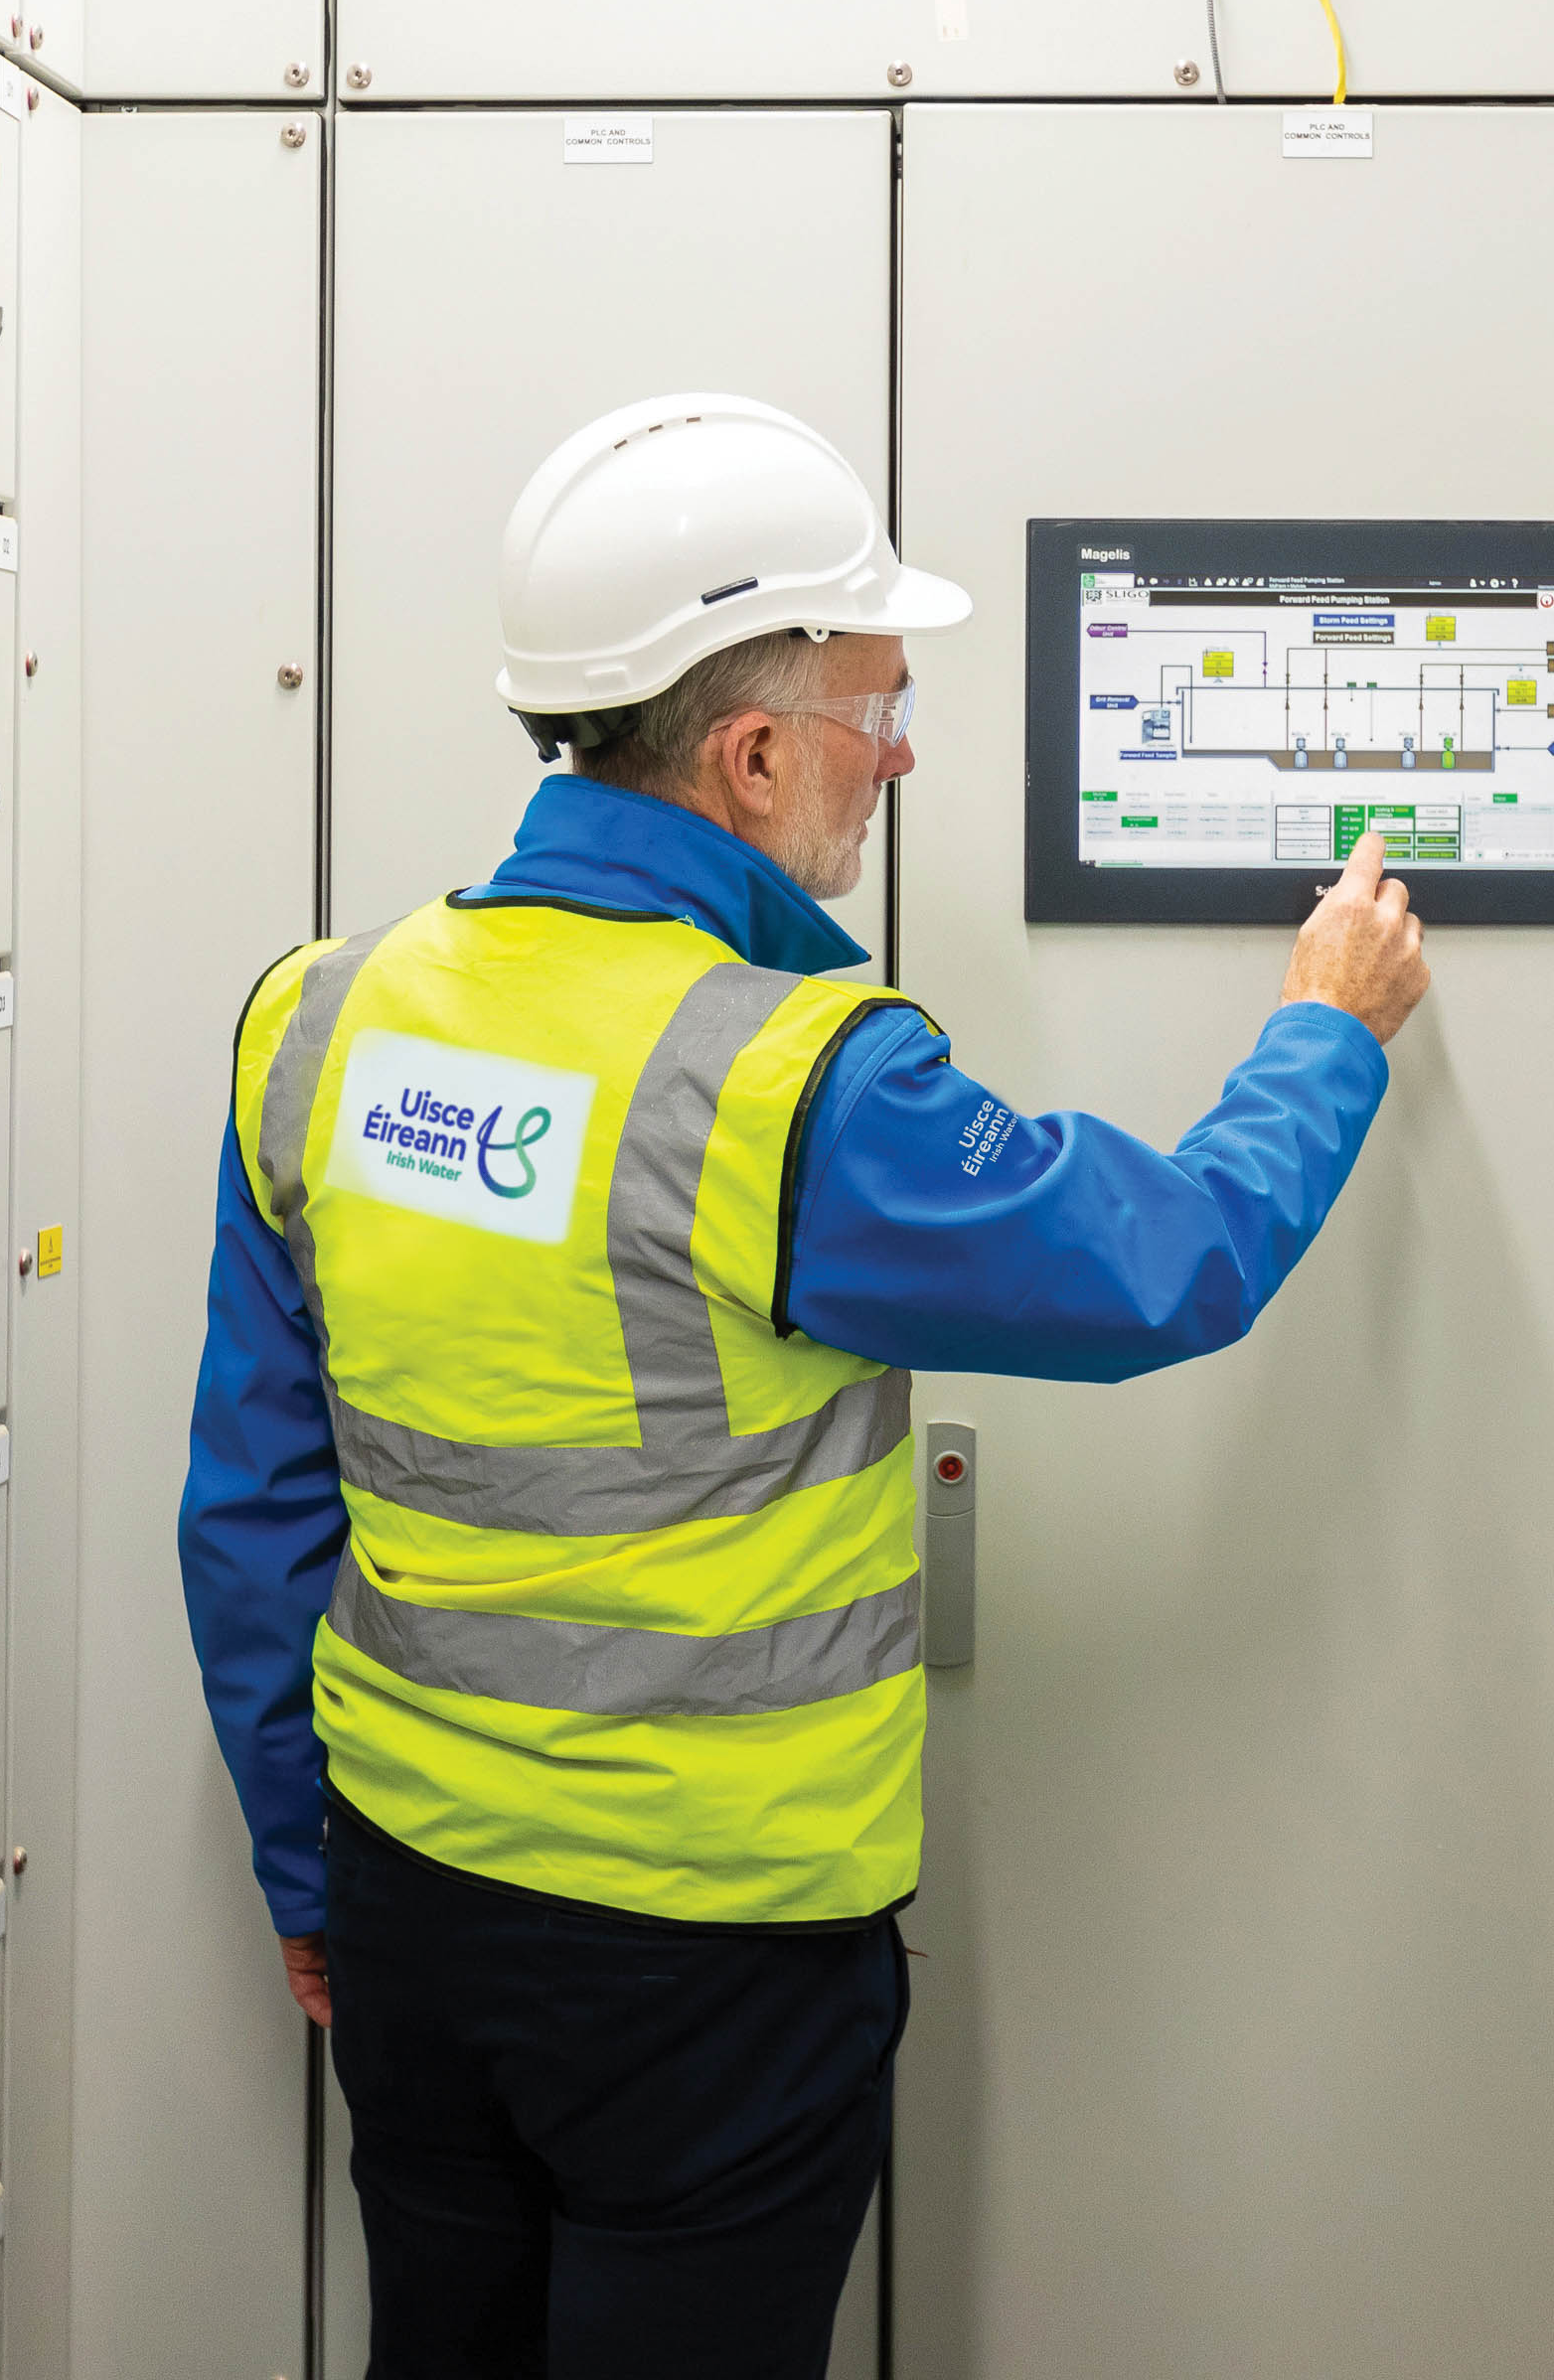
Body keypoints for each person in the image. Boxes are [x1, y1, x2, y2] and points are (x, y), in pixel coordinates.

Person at [179, 390, 1432, 2377]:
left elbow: (251, 1505)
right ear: (752, 755)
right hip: (710, 1964)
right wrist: (1326, 1032)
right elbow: (1170, 1259)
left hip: (409, 1906)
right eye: (878, 699)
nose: (904, 744)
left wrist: (298, 1858)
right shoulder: (790, 1087)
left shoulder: (321, 1017)